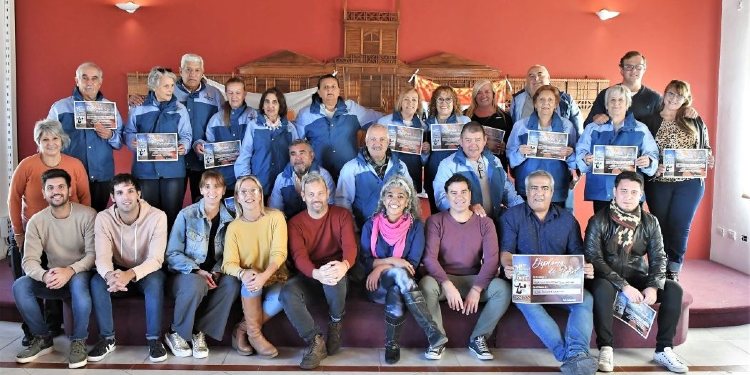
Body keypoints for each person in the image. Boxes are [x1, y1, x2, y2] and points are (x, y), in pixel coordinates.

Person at [584, 171, 688, 373]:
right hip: (606, 277)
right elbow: (594, 259)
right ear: (614, 191)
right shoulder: (598, 220)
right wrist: (623, 286)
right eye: (623, 191)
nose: (628, 196)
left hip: (637, 275)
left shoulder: (650, 222)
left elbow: (659, 257)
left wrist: (653, 285)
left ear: (641, 194)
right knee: (603, 288)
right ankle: (606, 347)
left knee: (674, 288)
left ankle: (664, 348)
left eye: (634, 192)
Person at [499, 170, 597, 375]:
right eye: (533, 188)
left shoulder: (568, 220)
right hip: (526, 281)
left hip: (560, 281)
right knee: (523, 300)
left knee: (585, 299)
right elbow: (506, 251)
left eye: (544, 188)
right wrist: (509, 266)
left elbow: (577, 254)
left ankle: (577, 352)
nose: (539, 193)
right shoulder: (512, 216)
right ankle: (567, 355)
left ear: (552, 192)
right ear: (526, 191)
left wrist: (585, 266)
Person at [8, 119, 91, 344]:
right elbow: (13, 198)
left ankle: (53, 326)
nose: (51, 143)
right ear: (38, 141)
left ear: (61, 140)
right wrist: (18, 232)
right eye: (45, 139)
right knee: (30, 278)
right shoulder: (27, 165)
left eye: (55, 138)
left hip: (65, 231)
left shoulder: (74, 164)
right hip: (31, 232)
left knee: (56, 276)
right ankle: (33, 331)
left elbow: (85, 198)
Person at [419, 174, 511, 361]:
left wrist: (477, 289)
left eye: (463, 192)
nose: (459, 197)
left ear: (470, 194)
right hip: (444, 280)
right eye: (453, 193)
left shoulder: (485, 222)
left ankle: (479, 338)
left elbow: (492, 260)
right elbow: (429, 258)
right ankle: (437, 340)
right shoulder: (436, 221)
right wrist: (447, 284)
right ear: (446, 196)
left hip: (473, 278)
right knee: (426, 284)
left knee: (502, 289)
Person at [12, 169, 96, 368]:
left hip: (80, 273)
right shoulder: (37, 221)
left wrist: (70, 270)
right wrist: (43, 274)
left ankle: (79, 341)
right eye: (50, 188)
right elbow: (29, 260)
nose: (55, 191)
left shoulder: (88, 215)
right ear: (43, 192)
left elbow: (93, 255)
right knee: (20, 286)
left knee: (78, 283)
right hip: (53, 277)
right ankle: (42, 338)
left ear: (69, 190)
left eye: (60, 187)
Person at [359, 176, 447, 364]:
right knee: (398, 274)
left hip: (404, 284)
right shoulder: (370, 224)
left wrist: (380, 265)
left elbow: (411, 265)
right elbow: (364, 261)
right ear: (383, 199)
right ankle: (432, 332)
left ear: (408, 201)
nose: (394, 200)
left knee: (397, 287)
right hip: (375, 285)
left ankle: (392, 345)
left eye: (401, 196)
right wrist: (390, 261)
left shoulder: (416, 227)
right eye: (390, 195)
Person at [280, 172, 357, 370]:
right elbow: (299, 256)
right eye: (311, 194)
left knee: (334, 274)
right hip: (311, 274)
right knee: (287, 293)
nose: (317, 198)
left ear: (327, 193)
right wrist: (316, 274)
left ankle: (335, 323)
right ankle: (315, 341)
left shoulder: (342, 215)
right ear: (303, 196)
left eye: (320, 193)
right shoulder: (295, 223)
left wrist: (344, 265)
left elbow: (350, 247)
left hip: (336, 272)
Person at [90, 173, 169, 362]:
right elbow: (101, 256)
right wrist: (110, 275)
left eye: (130, 191)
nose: (126, 197)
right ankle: (107, 339)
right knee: (96, 281)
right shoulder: (103, 218)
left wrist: (130, 274)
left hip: (147, 271)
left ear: (139, 194)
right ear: (112, 197)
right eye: (120, 192)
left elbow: (156, 259)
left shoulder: (157, 216)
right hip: (117, 270)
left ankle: (154, 340)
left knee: (156, 281)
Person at [164, 170, 240, 359]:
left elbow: (231, 254)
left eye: (217, 187)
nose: (212, 191)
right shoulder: (186, 215)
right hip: (185, 275)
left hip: (215, 274)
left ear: (224, 191)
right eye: (207, 187)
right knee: (196, 283)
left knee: (233, 283)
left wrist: (216, 272)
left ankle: (200, 331)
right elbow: (172, 254)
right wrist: (197, 270)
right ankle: (177, 333)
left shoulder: (232, 219)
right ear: (201, 190)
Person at [643, 80, 714, 281]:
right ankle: (658, 268)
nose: (674, 99)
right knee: (660, 226)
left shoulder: (694, 120)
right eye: (671, 94)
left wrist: (708, 157)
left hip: (690, 183)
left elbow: (705, 148)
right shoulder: (650, 121)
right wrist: (654, 167)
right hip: (659, 182)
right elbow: (644, 151)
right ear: (664, 94)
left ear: (686, 99)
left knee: (680, 225)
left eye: (680, 96)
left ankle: (673, 270)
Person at [222, 175, 288, 358]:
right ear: (237, 197)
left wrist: (264, 275)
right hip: (249, 281)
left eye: (254, 190)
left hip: (274, 274)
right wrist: (242, 273)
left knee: (282, 296)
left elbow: (279, 253)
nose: (249, 195)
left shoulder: (275, 217)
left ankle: (242, 329)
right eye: (243, 191)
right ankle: (256, 336)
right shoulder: (234, 227)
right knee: (251, 278)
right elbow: (228, 263)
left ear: (260, 194)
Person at [47, 62, 123, 211]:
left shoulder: (110, 108)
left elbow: (120, 142)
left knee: (96, 218)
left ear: (100, 82)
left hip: (102, 175)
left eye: (94, 78)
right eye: (85, 78)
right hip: (69, 176)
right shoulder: (60, 107)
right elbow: (47, 140)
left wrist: (110, 135)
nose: (90, 82)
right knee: (70, 220)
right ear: (77, 80)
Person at [124, 66, 192, 227]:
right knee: (147, 216)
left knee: (172, 214)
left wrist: (184, 146)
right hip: (145, 172)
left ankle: (171, 251)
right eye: (166, 86)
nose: (170, 90)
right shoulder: (138, 107)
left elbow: (187, 135)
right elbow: (128, 132)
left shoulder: (180, 109)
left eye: (172, 85)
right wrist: (132, 140)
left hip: (173, 172)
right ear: (154, 87)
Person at [576, 85, 659, 213]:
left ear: (627, 104)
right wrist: (586, 159)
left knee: (629, 231)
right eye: (612, 100)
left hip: (630, 192)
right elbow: (581, 151)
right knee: (602, 230)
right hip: (601, 191)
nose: (616, 104)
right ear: (607, 105)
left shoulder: (640, 128)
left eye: (621, 100)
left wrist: (648, 161)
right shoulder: (592, 128)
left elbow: (652, 153)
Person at [296, 74, 382, 182]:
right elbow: (296, 143)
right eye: (325, 87)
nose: (330, 90)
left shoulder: (352, 108)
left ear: (338, 91)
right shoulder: (306, 114)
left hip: (350, 172)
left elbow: (380, 120)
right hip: (318, 173)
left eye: (333, 87)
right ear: (319, 92)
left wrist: (401, 117)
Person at [433, 122, 524, 220]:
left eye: (478, 140)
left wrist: (526, 211)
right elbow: (441, 199)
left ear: (485, 141)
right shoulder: (447, 165)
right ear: (460, 141)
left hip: (494, 223)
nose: (473, 145)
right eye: (468, 140)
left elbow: (509, 195)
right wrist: (467, 208)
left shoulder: (495, 162)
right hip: (465, 226)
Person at [507, 85, 578, 206]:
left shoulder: (567, 126)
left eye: (550, 100)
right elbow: (509, 155)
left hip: (556, 188)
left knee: (555, 223)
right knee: (526, 223)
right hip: (527, 188)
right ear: (535, 103)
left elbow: (575, 161)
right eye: (541, 100)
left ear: (556, 104)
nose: (546, 103)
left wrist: (570, 154)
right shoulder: (520, 126)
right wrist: (519, 153)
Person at [335, 124, 412, 228]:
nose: (377, 143)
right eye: (373, 139)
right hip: (364, 229)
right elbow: (343, 201)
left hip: (396, 229)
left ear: (388, 142)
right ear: (366, 142)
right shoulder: (351, 168)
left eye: (382, 139)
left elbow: (410, 196)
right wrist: (353, 229)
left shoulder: (401, 167)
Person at [174, 53, 225, 203]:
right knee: (173, 203)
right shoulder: (169, 92)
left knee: (202, 203)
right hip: (175, 158)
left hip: (203, 160)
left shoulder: (214, 94)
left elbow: (221, 124)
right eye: (188, 69)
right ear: (180, 71)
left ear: (202, 72)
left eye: (197, 70)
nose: (192, 74)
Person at [234, 87, 298, 198]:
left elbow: (296, 157)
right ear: (262, 105)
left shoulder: (289, 128)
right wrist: (246, 182)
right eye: (267, 102)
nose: (270, 106)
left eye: (275, 102)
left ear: (280, 106)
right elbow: (245, 155)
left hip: (285, 185)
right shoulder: (253, 126)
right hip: (259, 185)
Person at [198, 77, 256, 197]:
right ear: (226, 94)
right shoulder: (216, 119)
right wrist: (201, 148)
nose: (234, 96)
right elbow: (208, 145)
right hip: (222, 180)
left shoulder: (254, 116)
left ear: (244, 94)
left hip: (248, 178)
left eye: (238, 93)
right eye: (230, 93)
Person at [424, 85, 471, 212]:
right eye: (440, 99)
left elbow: (472, 149)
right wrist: (425, 151)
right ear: (434, 102)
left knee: (459, 211)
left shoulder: (464, 122)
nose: (444, 103)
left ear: (454, 102)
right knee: (436, 213)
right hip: (433, 174)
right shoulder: (426, 125)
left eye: (448, 99)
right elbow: (422, 160)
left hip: (457, 173)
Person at [584, 51, 662, 125]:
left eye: (638, 67)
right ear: (621, 70)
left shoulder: (655, 98)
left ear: (644, 69)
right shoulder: (605, 94)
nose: (634, 70)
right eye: (629, 67)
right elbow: (587, 125)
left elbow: (659, 130)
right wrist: (595, 119)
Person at [377, 88, 430, 191]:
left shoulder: (423, 127)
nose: (410, 103)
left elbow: (423, 161)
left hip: (413, 174)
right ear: (400, 101)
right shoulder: (384, 123)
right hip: (389, 174)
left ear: (418, 103)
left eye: (414, 100)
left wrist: (425, 152)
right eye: (406, 99)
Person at [268, 139, 336, 218]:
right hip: (290, 224)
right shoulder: (281, 178)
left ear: (312, 156)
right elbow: (276, 210)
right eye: (293, 154)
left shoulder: (323, 176)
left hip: (318, 222)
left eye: (302, 153)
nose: (298, 158)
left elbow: (331, 205)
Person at [510, 65, 583, 136]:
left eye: (540, 75)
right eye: (531, 76)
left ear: (548, 78)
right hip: (525, 147)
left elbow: (578, 130)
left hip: (557, 146)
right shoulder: (517, 99)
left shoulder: (566, 100)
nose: (536, 78)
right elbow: (513, 132)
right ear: (526, 80)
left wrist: (572, 147)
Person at [465, 79, 515, 169]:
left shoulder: (505, 118)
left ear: (493, 94)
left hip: (496, 166)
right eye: (479, 92)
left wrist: (505, 147)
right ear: (475, 96)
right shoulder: (465, 116)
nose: (483, 95)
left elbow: (512, 145)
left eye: (487, 92)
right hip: (470, 166)